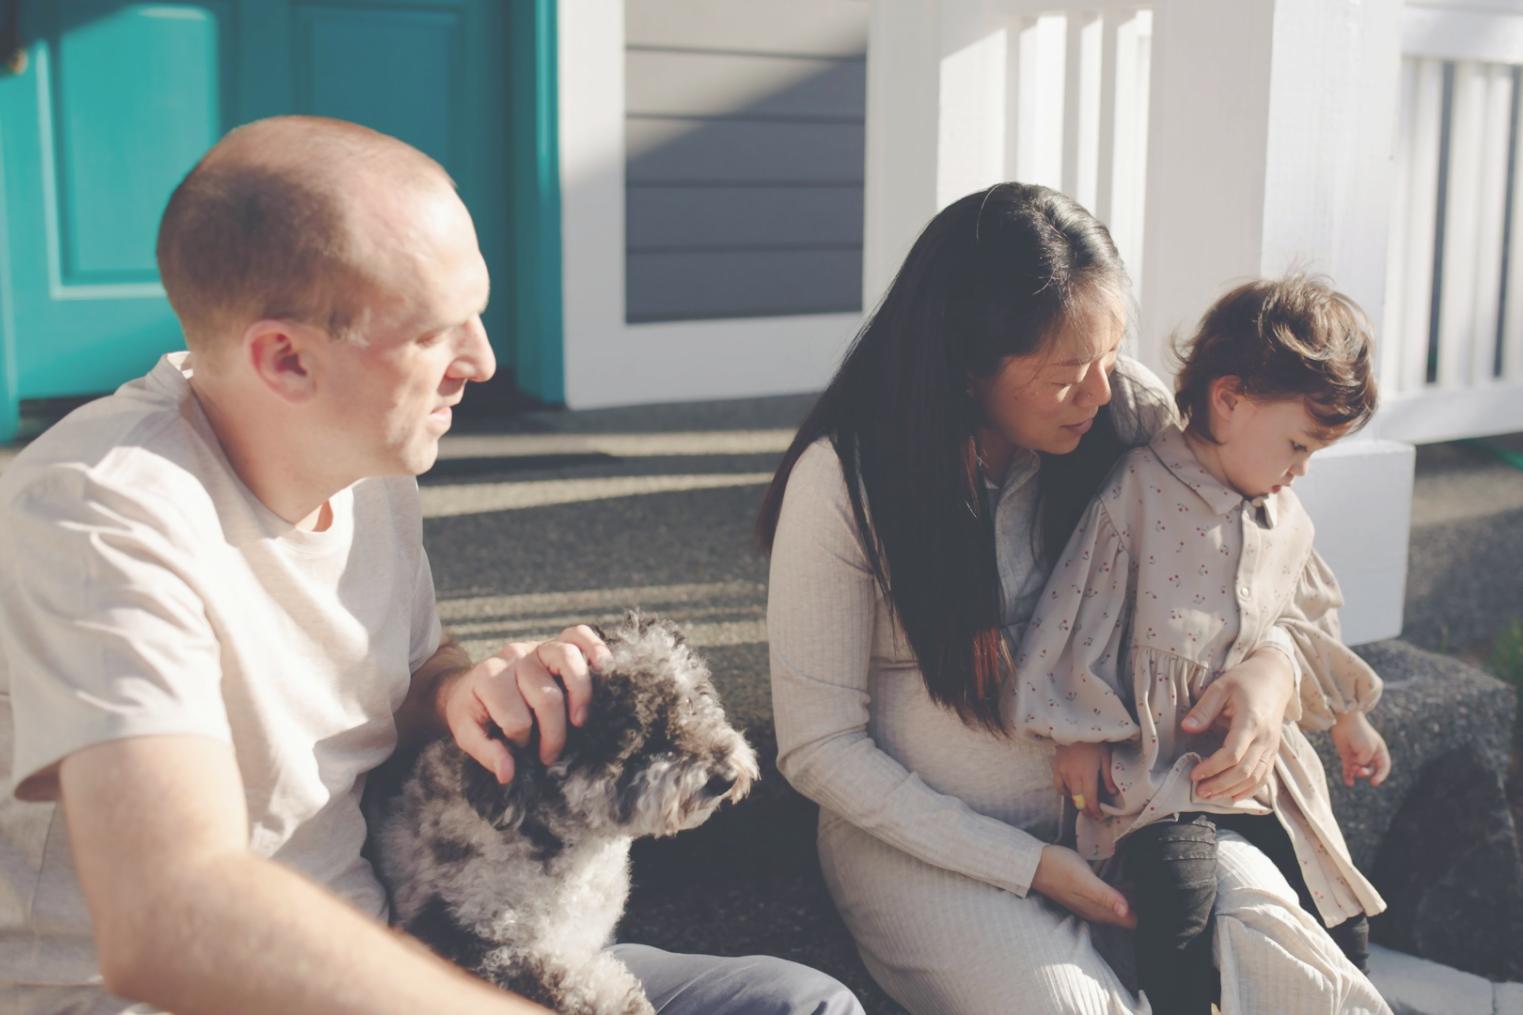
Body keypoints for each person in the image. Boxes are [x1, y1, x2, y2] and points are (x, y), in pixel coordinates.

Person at [0, 116, 862, 1015]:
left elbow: (407, 675)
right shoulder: (101, 514)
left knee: (798, 1004)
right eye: (436, 333)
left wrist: (462, 691)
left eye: (477, 315)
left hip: (388, 936)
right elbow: (173, 920)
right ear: (286, 359)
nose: (482, 361)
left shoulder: (363, 459)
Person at [760, 183, 1391, 1013]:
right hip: (935, 851)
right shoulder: (844, 482)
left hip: (1142, 806)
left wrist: (1270, 672)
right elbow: (819, 747)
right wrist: (1024, 864)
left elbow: (1263, 563)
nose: (1098, 390)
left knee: (1297, 974)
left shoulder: (1124, 410)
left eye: (1111, 351)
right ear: (965, 365)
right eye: (1065, 375)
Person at [1010, 276, 1391, 1014]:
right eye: (1297, 444)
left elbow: (1306, 619)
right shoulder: (1143, 489)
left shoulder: (1284, 515)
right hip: (1159, 771)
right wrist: (1076, 731)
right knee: (1180, 901)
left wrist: (1347, 716)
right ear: (1229, 400)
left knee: (1336, 904)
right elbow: (1083, 605)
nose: (1301, 468)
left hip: (1258, 769)